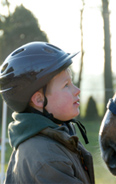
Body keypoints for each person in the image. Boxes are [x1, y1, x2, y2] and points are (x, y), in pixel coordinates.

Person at [0, 41, 95, 184]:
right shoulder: (46, 158)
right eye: (66, 85)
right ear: (39, 99)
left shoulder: (58, 137)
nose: (77, 90)